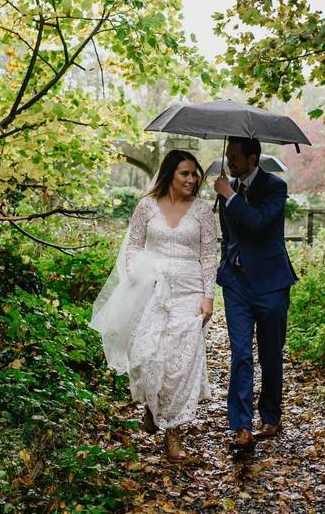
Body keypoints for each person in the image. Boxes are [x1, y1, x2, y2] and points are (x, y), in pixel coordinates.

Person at [90, 149, 217, 462]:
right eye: (185, 173)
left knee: (182, 362)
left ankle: (174, 439)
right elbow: (133, 247)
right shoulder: (146, 206)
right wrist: (139, 274)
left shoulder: (202, 211)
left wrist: (208, 296)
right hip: (152, 292)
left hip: (190, 293)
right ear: (170, 174)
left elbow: (209, 255)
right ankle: (151, 406)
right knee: (147, 354)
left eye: (194, 174)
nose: (192, 179)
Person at [213, 136, 297, 448]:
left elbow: (260, 223)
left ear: (253, 159)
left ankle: (271, 416)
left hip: (272, 283)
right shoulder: (227, 188)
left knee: (271, 354)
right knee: (241, 353)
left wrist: (231, 197)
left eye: (236, 156)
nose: (231, 161)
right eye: (230, 155)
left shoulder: (275, 187)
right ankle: (241, 426)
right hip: (236, 284)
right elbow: (229, 234)